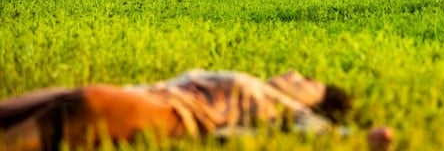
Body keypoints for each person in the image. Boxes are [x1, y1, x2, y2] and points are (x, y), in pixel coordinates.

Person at [0, 69, 393, 151]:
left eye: (307, 80)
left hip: (161, 110)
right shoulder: (265, 91)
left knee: (63, 115)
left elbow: (326, 134)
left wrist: (366, 139)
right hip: (126, 94)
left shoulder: (284, 108)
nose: (294, 72)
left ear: (312, 102)